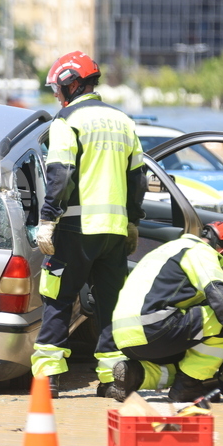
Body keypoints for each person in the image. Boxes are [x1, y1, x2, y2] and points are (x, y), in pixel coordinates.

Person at [31, 51, 146, 397]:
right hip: (114, 232)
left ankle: (48, 378)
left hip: (76, 230)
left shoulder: (67, 122)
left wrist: (48, 219)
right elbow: (137, 178)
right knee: (110, 305)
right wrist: (133, 223)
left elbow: (60, 174)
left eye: (57, 88)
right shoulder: (124, 122)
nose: (55, 95)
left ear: (71, 84)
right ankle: (114, 379)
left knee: (58, 300)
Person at [108, 222, 223, 403]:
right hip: (152, 328)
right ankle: (188, 387)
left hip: (124, 336)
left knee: (188, 362)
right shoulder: (200, 252)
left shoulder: (170, 248)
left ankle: (136, 374)